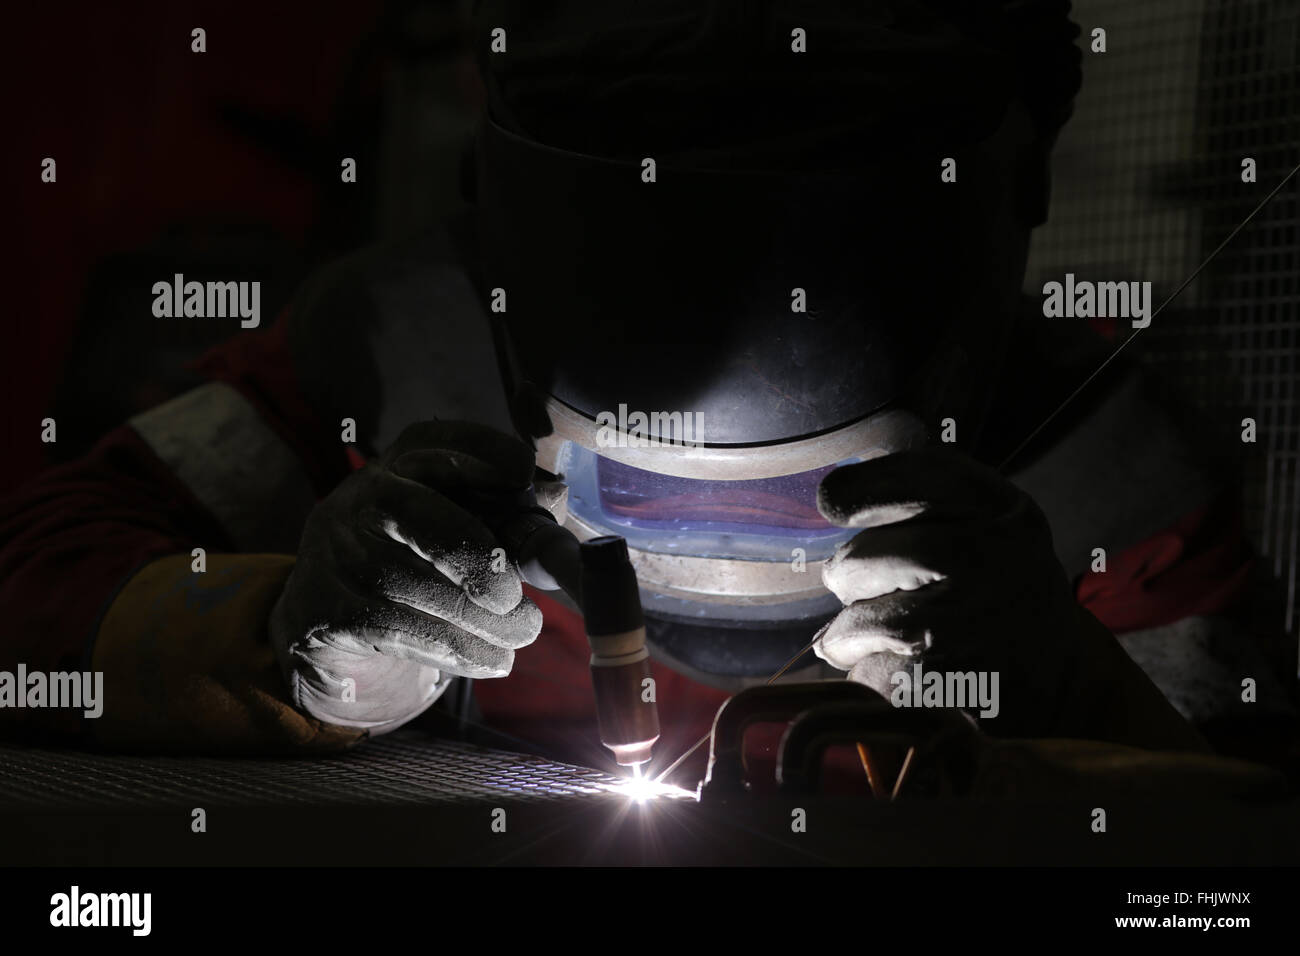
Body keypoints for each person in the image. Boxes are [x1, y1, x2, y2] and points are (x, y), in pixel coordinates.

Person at [1, 0, 1290, 785]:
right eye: (640, 494)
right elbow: (27, 587)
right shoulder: (390, 360)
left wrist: (1068, 697)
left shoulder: (1116, 486)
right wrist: (287, 634)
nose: (711, 555)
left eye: (803, 503)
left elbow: (1233, 839)